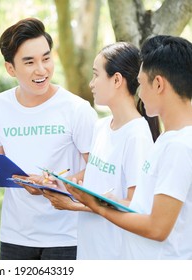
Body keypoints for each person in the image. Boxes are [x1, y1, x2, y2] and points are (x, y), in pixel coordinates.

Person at [0, 18, 97, 260]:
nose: (42, 70)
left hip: (68, 235)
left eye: (46, 58)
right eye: (29, 62)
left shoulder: (76, 109)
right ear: (10, 68)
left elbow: (98, 171)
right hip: (15, 235)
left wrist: (55, 183)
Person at [67, 35, 192, 259]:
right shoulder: (167, 139)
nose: (139, 93)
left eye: (141, 83)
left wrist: (97, 206)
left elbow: (157, 228)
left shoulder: (179, 146)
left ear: (159, 84)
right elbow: (145, 206)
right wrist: (111, 201)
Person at [42, 42, 160, 259]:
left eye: (96, 75)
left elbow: (136, 204)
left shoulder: (137, 136)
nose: (91, 83)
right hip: (90, 248)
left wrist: (75, 205)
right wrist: (61, 182)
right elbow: (97, 176)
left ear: (116, 80)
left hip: (116, 254)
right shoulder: (101, 126)